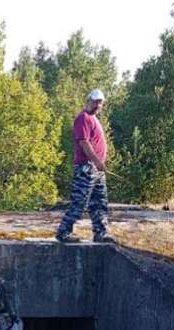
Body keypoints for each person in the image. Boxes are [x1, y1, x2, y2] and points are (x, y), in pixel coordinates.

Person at [55, 89, 119, 245]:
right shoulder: (83, 118)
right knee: (79, 202)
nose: (98, 105)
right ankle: (63, 232)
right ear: (89, 100)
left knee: (99, 202)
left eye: (100, 102)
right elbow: (84, 143)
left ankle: (100, 234)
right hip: (86, 168)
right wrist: (97, 161)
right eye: (96, 101)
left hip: (96, 170)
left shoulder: (94, 119)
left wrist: (99, 164)